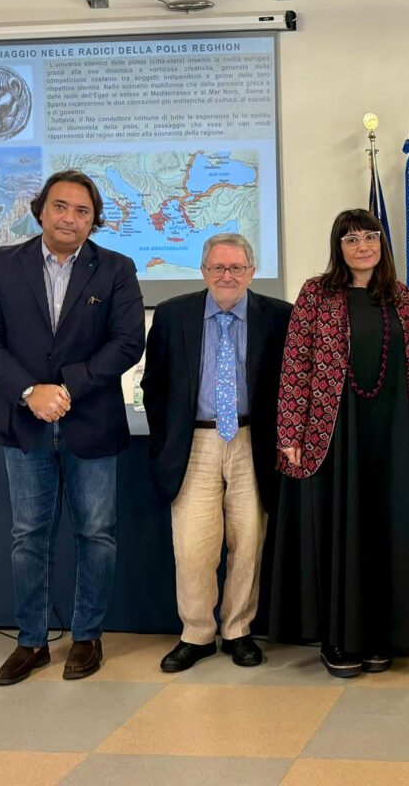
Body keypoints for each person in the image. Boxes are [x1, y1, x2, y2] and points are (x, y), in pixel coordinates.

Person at [0, 169, 145, 684]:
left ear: (94, 220)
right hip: (23, 424)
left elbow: (128, 342)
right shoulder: (0, 265)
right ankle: (31, 641)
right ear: (40, 210)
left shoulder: (116, 268)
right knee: (29, 535)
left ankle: (87, 636)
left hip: (92, 420)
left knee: (97, 532)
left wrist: (65, 387)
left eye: (82, 211)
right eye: (61, 207)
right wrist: (30, 391)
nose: (70, 218)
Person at [271, 210, 409, 678]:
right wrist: (290, 433)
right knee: (340, 530)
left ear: (382, 243)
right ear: (339, 246)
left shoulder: (402, 298)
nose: (363, 245)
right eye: (351, 238)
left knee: (384, 532)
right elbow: (296, 363)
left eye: (371, 236)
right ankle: (339, 640)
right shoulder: (316, 293)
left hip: (390, 437)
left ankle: (378, 635)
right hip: (334, 434)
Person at [141, 233, 292, 672]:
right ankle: (196, 634)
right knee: (193, 546)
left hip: (252, 441)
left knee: (248, 542)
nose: (227, 276)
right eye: (218, 268)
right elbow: (154, 386)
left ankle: (238, 630)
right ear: (204, 271)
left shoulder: (278, 316)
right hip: (196, 441)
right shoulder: (173, 315)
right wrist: (166, 442)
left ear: (251, 271)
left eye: (237, 268)